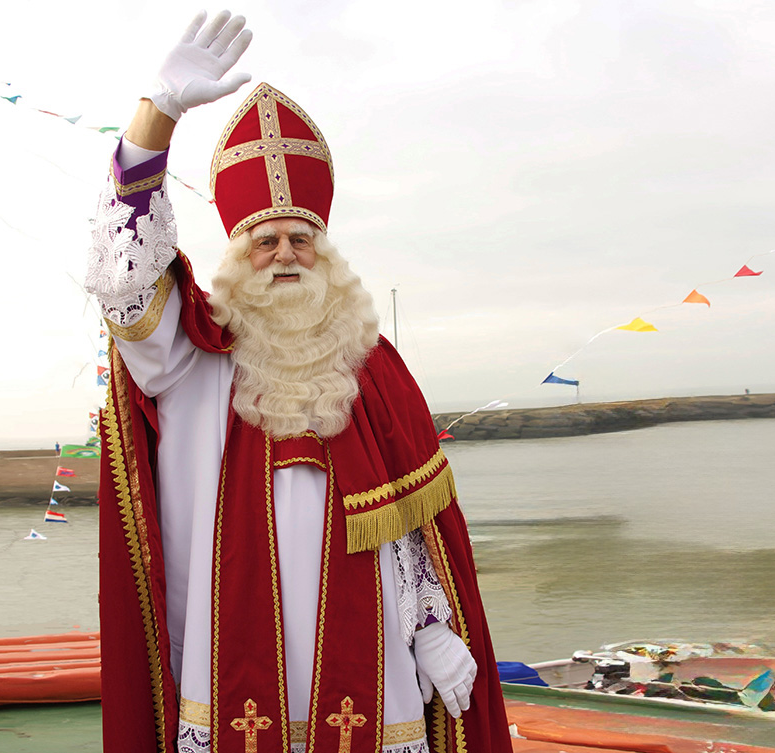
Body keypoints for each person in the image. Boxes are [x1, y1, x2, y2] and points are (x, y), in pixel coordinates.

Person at [84, 11, 511, 753]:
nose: (284, 253)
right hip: (221, 676)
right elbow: (124, 277)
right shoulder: (189, 350)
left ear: (324, 251)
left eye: (300, 239)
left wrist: (434, 626)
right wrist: (155, 118)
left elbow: (409, 524)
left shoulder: (371, 362)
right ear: (237, 252)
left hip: (376, 671)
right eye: (265, 240)